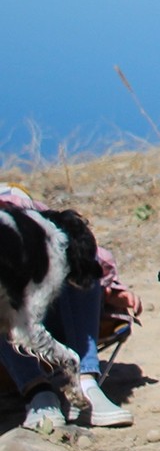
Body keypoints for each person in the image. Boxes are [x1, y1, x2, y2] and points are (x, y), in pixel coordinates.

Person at [1, 183, 139, 431]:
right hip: (13, 337)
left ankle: (86, 383)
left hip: (57, 315)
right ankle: (38, 393)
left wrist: (115, 290)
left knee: (69, 249)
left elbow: (89, 252)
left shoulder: (14, 203)